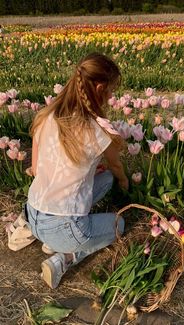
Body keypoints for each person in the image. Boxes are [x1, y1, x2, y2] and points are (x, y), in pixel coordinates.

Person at [25, 52, 129, 289]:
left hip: (33, 214)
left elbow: (37, 165)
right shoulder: (98, 130)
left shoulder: (47, 115)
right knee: (119, 224)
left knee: (105, 180)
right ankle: (65, 258)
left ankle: (54, 241)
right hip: (65, 228)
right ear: (100, 87)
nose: (112, 96)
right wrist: (126, 182)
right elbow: (116, 166)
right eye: (111, 91)